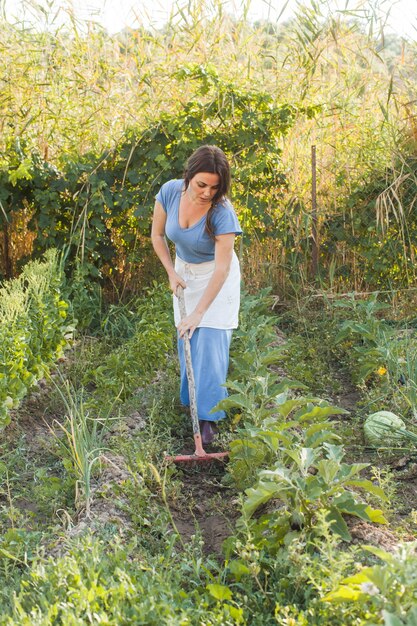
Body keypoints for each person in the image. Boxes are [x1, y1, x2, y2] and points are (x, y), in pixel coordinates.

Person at [151, 145, 242, 445]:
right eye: (202, 184)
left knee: (210, 343)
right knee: (187, 339)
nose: (207, 193)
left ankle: (210, 420)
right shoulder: (169, 193)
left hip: (217, 277)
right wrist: (171, 272)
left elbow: (222, 268)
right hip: (185, 273)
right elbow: (157, 235)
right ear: (188, 176)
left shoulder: (222, 213)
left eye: (215, 188)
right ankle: (192, 404)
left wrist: (200, 311)